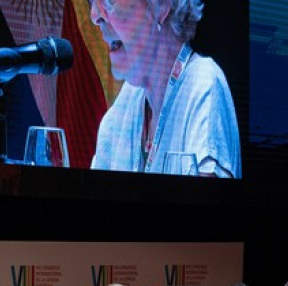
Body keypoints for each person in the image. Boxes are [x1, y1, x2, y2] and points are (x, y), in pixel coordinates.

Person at [88, 0, 241, 178]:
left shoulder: (203, 83)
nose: (94, 16)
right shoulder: (125, 102)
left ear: (161, 7)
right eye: (91, 2)